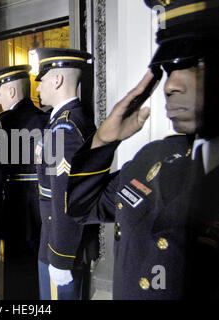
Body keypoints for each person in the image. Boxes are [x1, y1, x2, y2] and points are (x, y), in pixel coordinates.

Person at [67, 0, 219, 300]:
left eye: (196, 63)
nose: (170, 85)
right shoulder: (155, 157)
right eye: (167, 69)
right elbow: (82, 208)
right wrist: (105, 140)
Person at [34, 48, 100, 300]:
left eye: (41, 82)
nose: (38, 89)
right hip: (70, 240)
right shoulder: (73, 119)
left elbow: (64, 198)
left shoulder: (64, 128)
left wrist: (59, 258)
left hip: (60, 246)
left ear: (58, 80)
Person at [0, 65, 49, 300]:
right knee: (39, 265)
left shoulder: (1, 123)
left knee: (10, 272)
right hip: (44, 205)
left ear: (11, 92)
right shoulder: (48, 119)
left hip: (14, 208)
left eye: (0, 93)